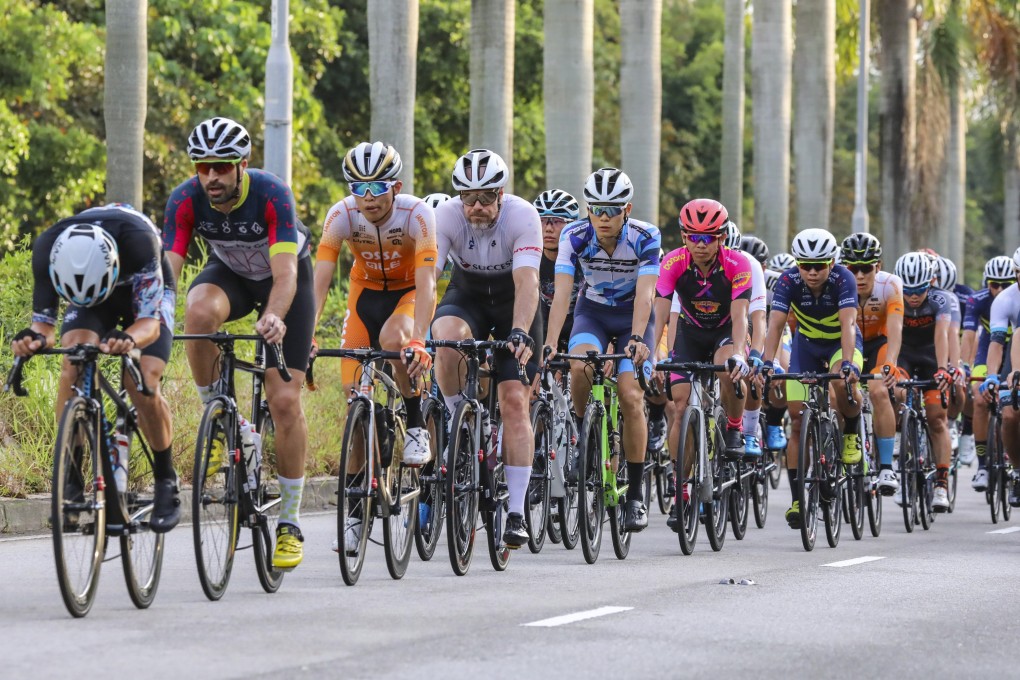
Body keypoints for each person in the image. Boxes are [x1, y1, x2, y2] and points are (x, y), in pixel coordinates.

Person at [163, 116, 314, 569]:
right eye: (203, 167)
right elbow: (169, 268)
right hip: (230, 276)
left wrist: (274, 315)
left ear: (242, 166)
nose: (211, 177)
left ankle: (289, 523)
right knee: (197, 311)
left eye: (221, 167)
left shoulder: (271, 194)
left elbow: (286, 274)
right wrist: (153, 315)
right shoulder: (185, 199)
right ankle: (224, 418)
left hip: (284, 282)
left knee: (284, 401)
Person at [13, 204, 180, 532]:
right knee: (72, 362)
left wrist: (128, 339)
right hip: (90, 292)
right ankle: (72, 476)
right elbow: (44, 329)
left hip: (142, 289)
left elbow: (149, 324)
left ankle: (166, 480)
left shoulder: (140, 244)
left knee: (144, 380)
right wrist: (31, 340)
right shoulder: (48, 247)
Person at [312, 142, 438, 554]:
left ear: (396, 186)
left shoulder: (418, 214)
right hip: (364, 296)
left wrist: (419, 338)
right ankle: (353, 518)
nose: (367, 197)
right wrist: (307, 334)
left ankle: (416, 422)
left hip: (406, 294)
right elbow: (321, 280)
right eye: (357, 187)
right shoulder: (340, 215)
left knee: (393, 342)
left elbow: (427, 284)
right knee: (355, 406)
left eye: (377, 186)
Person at [431, 149, 543, 548]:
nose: (476, 207)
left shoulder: (522, 215)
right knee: (445, 337)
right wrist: (416, 333)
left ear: (501, 193)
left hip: (515, 301)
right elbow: (430, 277)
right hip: (469, 296)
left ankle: (516, 510)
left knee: (514, 400)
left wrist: (519, 331)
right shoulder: (445, 215)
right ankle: (457, 423)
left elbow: (529, 281)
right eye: (468, 198)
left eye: (485, 198)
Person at [544, 168, 661, 532]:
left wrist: (638, 339)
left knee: (629, 395)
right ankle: (583, 434)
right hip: (591, 313)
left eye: (612, 209)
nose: (604, 217)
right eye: (597, 208)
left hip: (633, 317)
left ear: (627, 209)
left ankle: (637, 495)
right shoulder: (574, 235)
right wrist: (549, 343)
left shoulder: (646, 236)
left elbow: (646, 294)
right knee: (579, 366)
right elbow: (562, 294)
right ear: (588, 209)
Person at [653, 199, 751, 529]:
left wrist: (740, 352)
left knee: (729, 370)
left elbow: (740, 318)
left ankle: (735, 427)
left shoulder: (738, 264)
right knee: (679, 406)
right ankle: (681, 489)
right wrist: (652, 353)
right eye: (692, 236)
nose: (699, 244)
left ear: (721, 237)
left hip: (725, 333)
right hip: (690, 334)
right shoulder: (673, 263)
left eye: (708, 237)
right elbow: (661, 313)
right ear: (683, 236)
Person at [760, 229, 863, 529]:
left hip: (838, 344)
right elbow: (775, 325)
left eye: (819, 265)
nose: (813, 272)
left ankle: (850, 432)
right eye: (805, 265)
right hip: (806, 346)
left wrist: (847, 364)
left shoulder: (845, 279)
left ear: (832, 262)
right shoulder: (788, 281)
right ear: (797, 264)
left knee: (845, 386)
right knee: (796, 418)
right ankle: (797, 499)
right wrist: (768, 362)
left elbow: (849, 324)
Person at [840, 232, 903, 494]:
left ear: (878, 267)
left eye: (867, 268)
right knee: (838, 391)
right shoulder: (838, 285)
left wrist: (890, 363)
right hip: (849, 344)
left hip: (879, 344)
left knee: (879, 390)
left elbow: (896, 327)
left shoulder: (890, 285)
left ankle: (887, 466)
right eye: (853, 269)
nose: (860, 276)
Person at [893, 252, 955, 511]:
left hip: (931, 356)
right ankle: (899, 436)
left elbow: (942, 335)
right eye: (908, 290)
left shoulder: (942, 300)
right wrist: (891, 365)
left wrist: (943, 368)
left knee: (937, 418)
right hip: (905, 354)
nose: (913, 296)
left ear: (930, 282)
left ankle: (941, 482)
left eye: (919, 289)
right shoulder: (893, 297)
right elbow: (892, 333)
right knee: (895, 391)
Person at [972, 255, 1017, 494]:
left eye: (1006, 283)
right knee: (990, 403)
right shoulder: (997, 301)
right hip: (1000, 349)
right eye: (994, 284)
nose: (999, 289)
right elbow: (994, 342)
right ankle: (987, 467)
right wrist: (991, 377)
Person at [983, 247, 1020, 506]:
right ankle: (1018, 471)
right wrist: (993, 376)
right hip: (1017, 355)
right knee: (1009, 413)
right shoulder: (1006, 299)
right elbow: (998, 343)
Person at [534, 189, 582, 352]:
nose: (548, 228)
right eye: (542, 220)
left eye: (557, 221)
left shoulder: (585, 258)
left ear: (572, 225)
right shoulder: (529, 257)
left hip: (579, 326)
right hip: (543, 326)